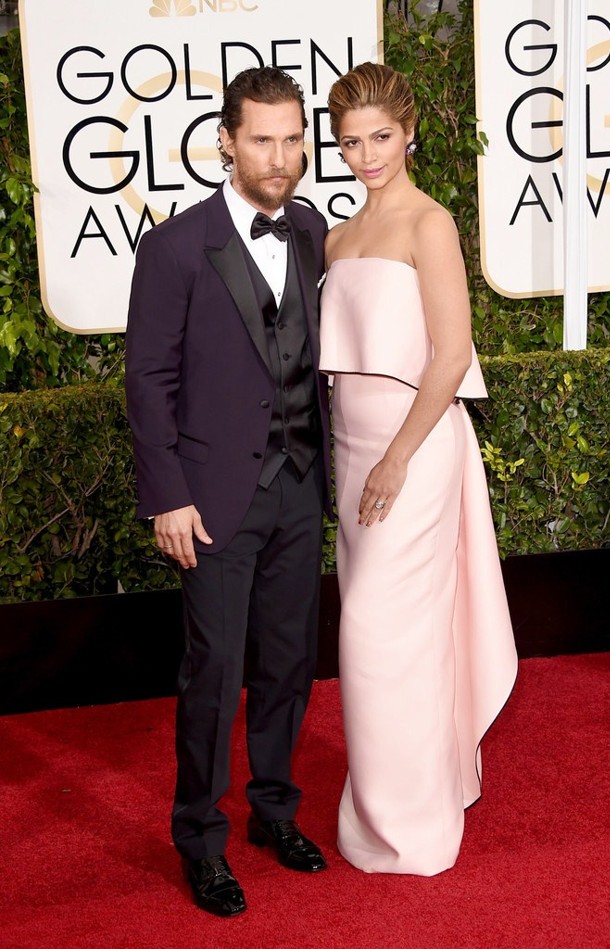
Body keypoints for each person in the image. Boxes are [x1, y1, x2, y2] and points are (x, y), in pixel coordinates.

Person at [125, 66, 331, 918]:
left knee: (288, 663)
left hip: (299, 485)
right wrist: (166, 494)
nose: (279, 157)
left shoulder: (315, 229)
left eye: (292, 139)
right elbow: (147, 379)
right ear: (226, 141)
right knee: (214, 670)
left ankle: (273, 811)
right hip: (210, 499)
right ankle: (200, 837)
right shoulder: (175, 245)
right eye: (261, 139)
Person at [319, 62, 518, 876]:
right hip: (352, 452)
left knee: (373, 631)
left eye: (381, 137)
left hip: (417, 448)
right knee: (390, 636)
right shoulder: (337, 236)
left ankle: (413, 825)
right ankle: (393, 796)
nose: (367, 154)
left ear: (410, 134)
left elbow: (452, 353)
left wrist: (398, 458)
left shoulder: (429, 225)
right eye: (351, 141)